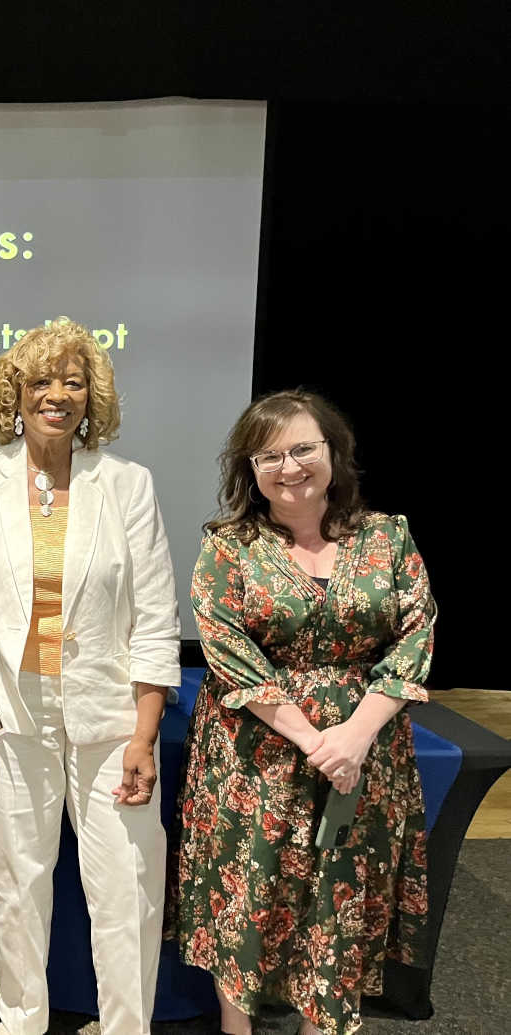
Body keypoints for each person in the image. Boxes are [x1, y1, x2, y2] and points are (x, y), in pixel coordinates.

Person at [0, 317, 180, 1035]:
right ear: (15, 393)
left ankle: (125, 1025)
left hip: (111, 716)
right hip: (8, 711)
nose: (57, 395)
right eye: (41, 381)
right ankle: (22, 1021)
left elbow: (155, 613)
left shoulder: (127, 484)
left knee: (126, 884)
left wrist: (144, 732)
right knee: (15, 883)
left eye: (73, 382)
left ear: (91, 396)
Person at [169, 390, 433, 1035]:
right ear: (249, 471)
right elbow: (227, 649)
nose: (288, 467)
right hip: (253, 758)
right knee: (248, 893)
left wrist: (355, 737)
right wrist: (317, 740)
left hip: (364, 755)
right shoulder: (228, 546)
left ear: (333, 453)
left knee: (340, 896)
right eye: (268, 456)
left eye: (302, 450)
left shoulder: (388, 536)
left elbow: (415, 634)